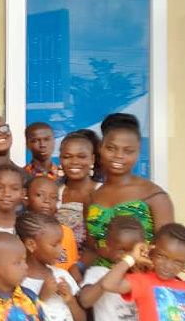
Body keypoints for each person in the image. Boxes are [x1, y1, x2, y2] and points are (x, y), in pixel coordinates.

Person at [85, 113, 174, 267]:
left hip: (141, 277)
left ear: (138, 152)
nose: (118, 156)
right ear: (100, 148)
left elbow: (167, 251)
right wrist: (77, 269)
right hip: (99, 277)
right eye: (111, 148)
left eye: (128, 151)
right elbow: (93, 248)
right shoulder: (92, 197)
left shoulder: (155, 196)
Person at [25, 177, 81, 282]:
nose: (47, 201)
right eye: (39, 195)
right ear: (26, 199)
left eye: (53, 197)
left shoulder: (66, 232)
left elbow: (71, 265)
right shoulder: (21, 232)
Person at [55, 130, 101, 252]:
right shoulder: (54, 194)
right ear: (60, 159)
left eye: (81, 156)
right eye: (67, 157)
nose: (74, 162)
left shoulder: (104, 192)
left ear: (92, 159)